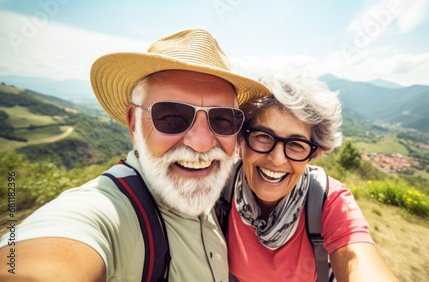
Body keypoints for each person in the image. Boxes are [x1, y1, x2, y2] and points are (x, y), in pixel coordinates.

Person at [0, 27, 270, 281]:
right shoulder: (107, 211)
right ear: (133, 124)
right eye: (173, 116)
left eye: (223, 119)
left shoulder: (222, 194)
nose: (201, 143)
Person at [222, 75, 399, 281]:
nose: (278, 159)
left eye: (297, 144)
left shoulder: (328, 201)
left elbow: (358, 261)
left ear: (312, 155)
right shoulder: (220, 186)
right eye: (263, 136)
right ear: (241, 139)